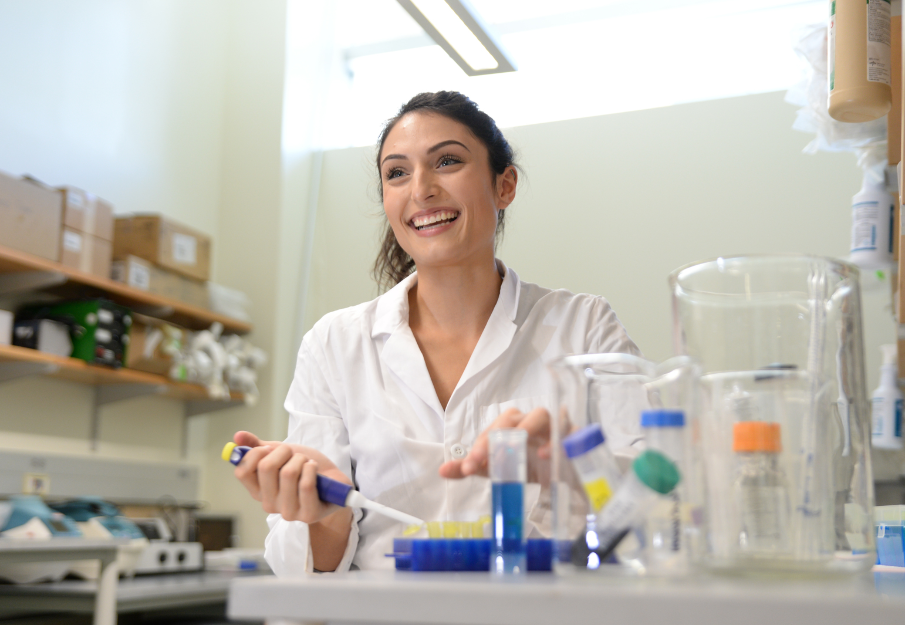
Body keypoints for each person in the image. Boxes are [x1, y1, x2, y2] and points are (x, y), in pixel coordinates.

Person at [233, 91, 642, 574]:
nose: (421, 189)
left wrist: (576, 467)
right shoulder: (334, 345)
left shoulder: (584, 327)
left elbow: (655, 510)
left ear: (504, 185)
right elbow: (311, 569)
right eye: (397, 173)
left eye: (447, 161)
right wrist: (324, 514)